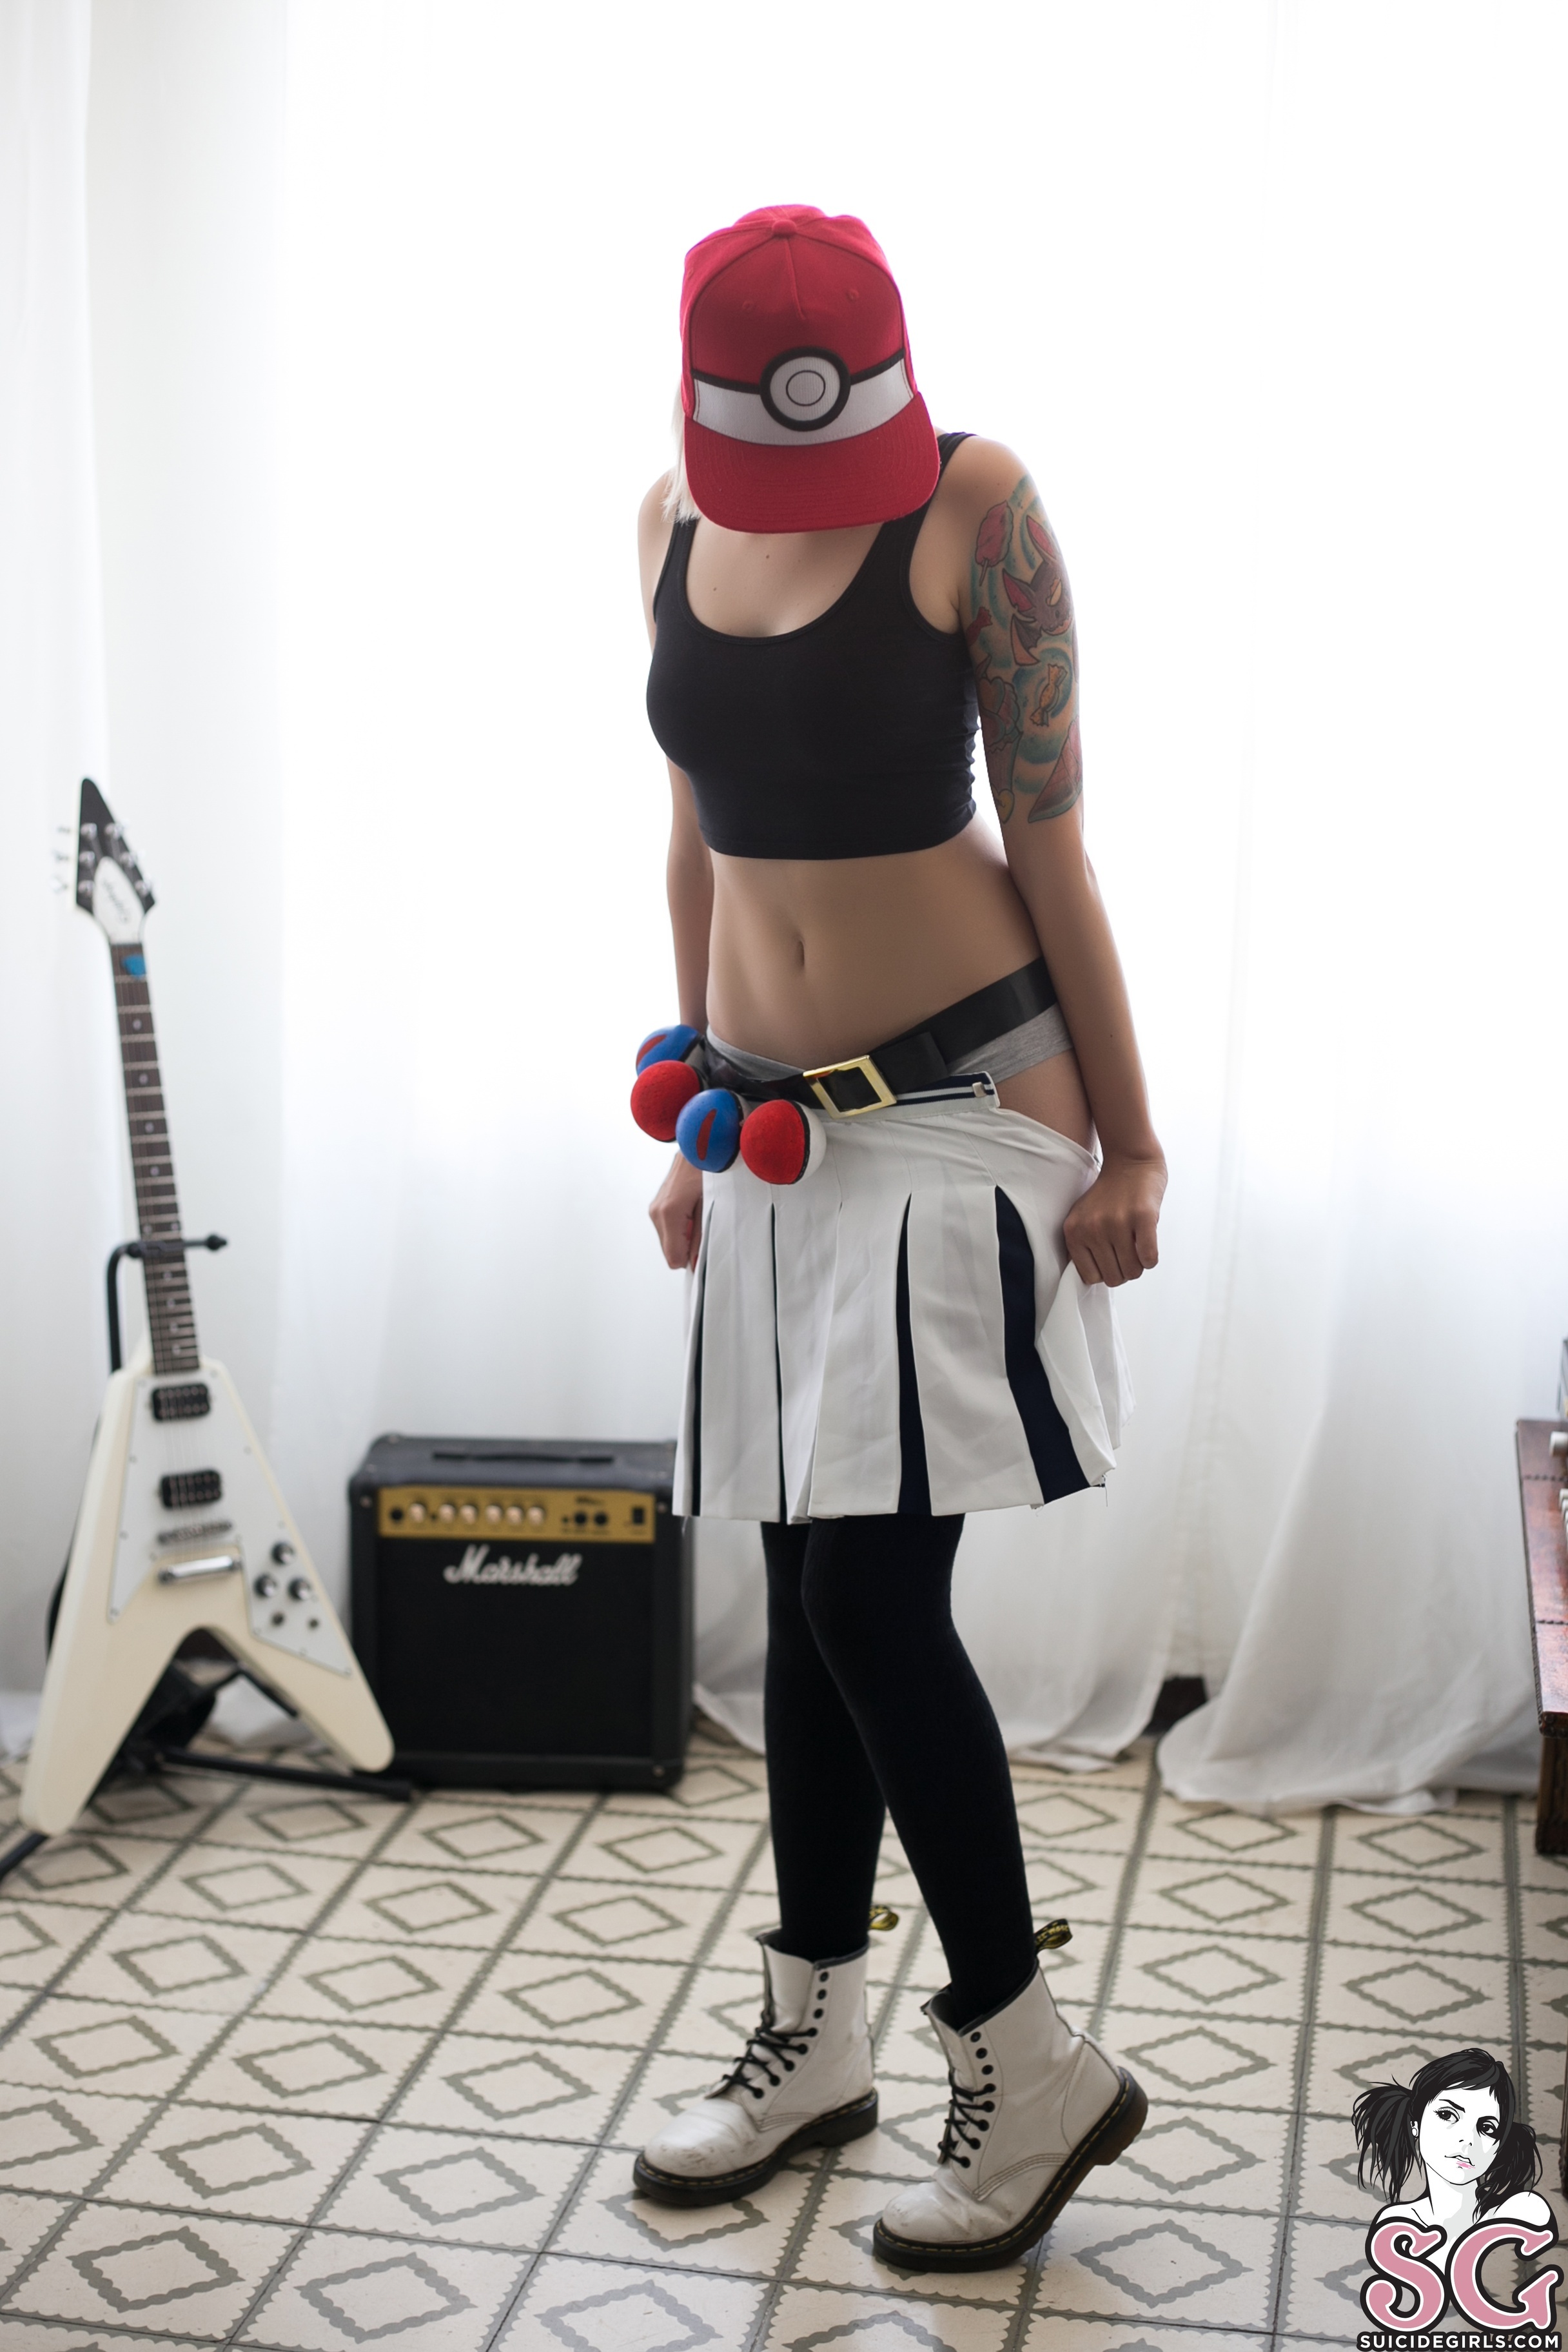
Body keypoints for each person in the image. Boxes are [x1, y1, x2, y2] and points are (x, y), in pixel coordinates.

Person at [630, 203, 1165, 2273]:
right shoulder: (669, 513)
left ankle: (1029, 2063)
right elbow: (693, 835)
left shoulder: (975, 510)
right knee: (794, 1580)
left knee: (867, 1596)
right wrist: (695, 1111)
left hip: (965, 1102)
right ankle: (816, 2037)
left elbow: (1054, 845)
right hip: (772, 1128)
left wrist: (1132, 1144)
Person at [1353, 2050, 1551, 2269]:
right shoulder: (1397, 2223)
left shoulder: (1520, 2210)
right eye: (1447, 2115)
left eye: (1487, 2128)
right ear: (1415, 2123)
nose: (1468, 2140)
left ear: (1499, 2146)